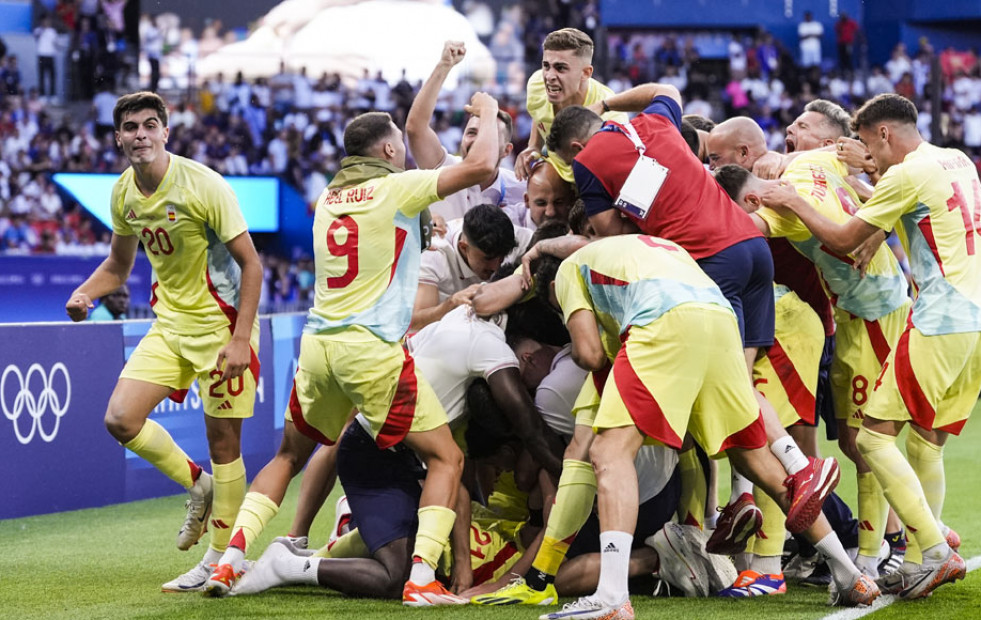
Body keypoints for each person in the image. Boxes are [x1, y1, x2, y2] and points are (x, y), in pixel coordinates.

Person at [203, 97, 504, 606]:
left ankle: (231, 558)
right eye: (402, 145)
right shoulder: (396, 188)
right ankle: (423, 578)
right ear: (388, 148)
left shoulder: (328, 199)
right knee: (446, 457)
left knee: (288, 456)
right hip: (370, 352)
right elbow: (483, 167)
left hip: (318, 348)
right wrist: (490, 108)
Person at [532, 236, 878, 619]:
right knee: (756, 461)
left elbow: (590, 352)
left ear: (551, 289)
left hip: (665, 319)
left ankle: (612, 596)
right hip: (721, 320)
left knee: (608, 452)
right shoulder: (640, 248)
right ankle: (850, 575)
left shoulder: (566, 272)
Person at [767, 93, 976, 600]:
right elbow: (916, 211)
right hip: (975, 319)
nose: (863, 156)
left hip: (940, 318)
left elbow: (840, 239)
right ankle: (914, 559)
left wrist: (793, 200)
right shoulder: (956, 158)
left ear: (883, 135)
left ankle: (931, 549)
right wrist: (875, 227)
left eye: (865, 144)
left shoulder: (903, 174)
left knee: (871, 440)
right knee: (925, 442)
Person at [64, 91, 263, 592]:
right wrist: (85, 294)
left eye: (150, 125)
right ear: (118, 137)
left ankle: (220, 560)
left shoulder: (204, 184)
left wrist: (241, 339)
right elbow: (119, 266)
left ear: (166, 132)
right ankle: (198, 485)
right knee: (120, 418)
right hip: (170, 325)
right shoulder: (123, 193)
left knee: (225, 444)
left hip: (223, 328)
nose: (140, 135)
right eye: (130, 127)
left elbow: (252, 264)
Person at [405, 41, 525, 224]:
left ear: (507, 150)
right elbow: (416, 128)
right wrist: (444, 66)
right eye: (471, 132)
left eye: (488, 133)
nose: (477, 140)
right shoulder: (444, 169)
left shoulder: (520, 189)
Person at [519, 28, 626, 182]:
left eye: (560, 68)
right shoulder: (536, 85)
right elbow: (539, 113)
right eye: (546, 65)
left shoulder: (612, 119)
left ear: (586, 73)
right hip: (556, 182)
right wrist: (534, 145)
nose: (549, 76)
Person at [411, 204, 527, 331]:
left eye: (503, 256)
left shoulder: (503, 234)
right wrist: (451, 303)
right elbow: (414, 323)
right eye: (488, 258)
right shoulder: (433, 254)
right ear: (463, 247)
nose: (496, 267)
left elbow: (544, 239)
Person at [34, 16, 58, 101]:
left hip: (50, 55)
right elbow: (36, 37)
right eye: (44, 21)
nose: (46, 23)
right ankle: (42, 95)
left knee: (52, 76)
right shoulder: (38, 30)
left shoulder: (53, 31)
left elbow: (55, 43)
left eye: (47, 21)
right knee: (42, 76)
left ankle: (53, 96)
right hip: (41, 55)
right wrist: (43, 29)